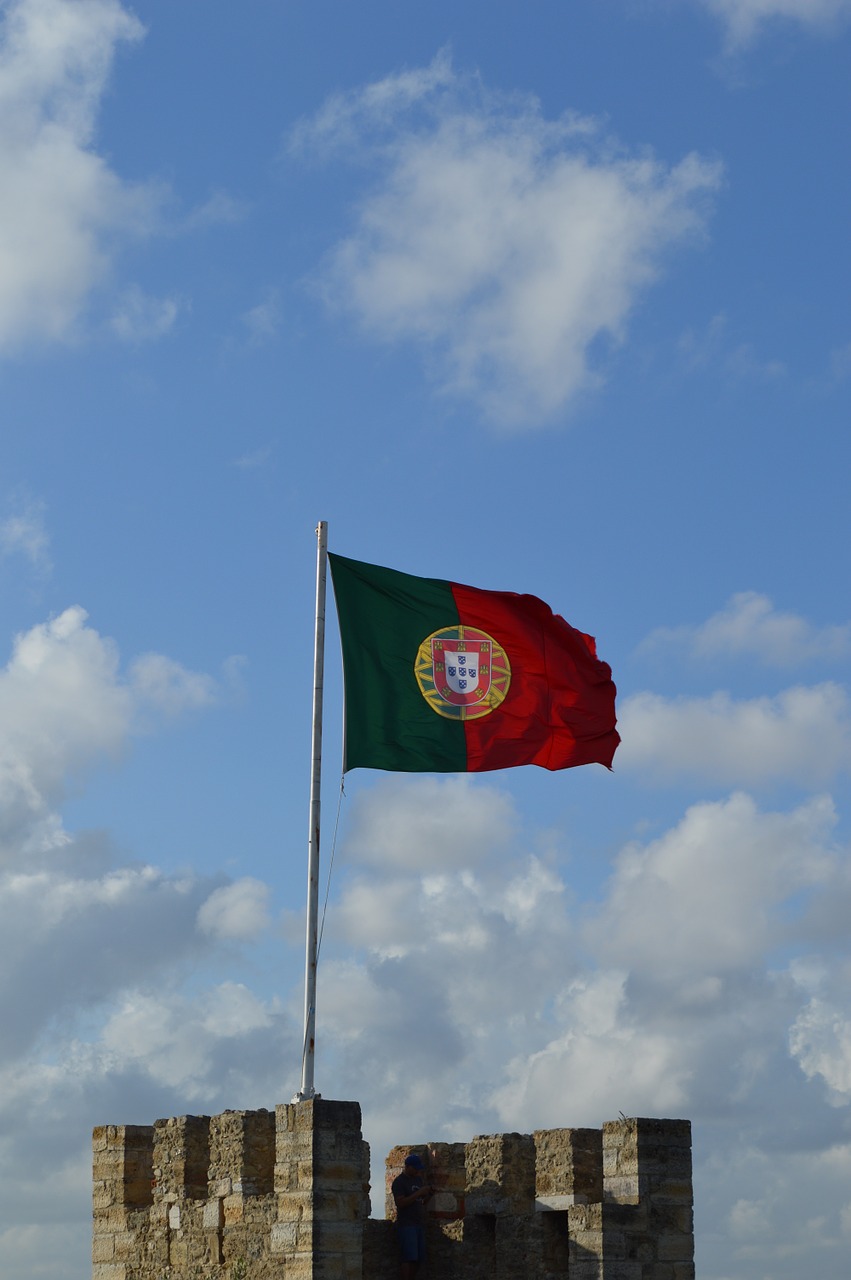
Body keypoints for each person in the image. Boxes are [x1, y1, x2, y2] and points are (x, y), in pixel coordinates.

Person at [391, 1152, 434, 1279]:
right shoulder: (399, 1182)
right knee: (408, 1258)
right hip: (406, 1224)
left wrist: (429, 1194)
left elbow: (421, 1202)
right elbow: (401, 1203)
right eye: (415, 1168)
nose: (417, 1171)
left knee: (419, 1259)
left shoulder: (418, 1180)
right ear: (407, 1167)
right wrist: (419, 1192)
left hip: (418, 1223)